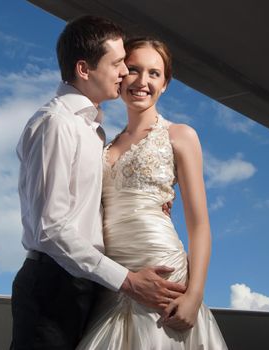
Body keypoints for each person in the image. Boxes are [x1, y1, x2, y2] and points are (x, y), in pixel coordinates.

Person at [11, 17, 187, 350]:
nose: (124, 73)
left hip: (86, 284)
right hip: (54, 285)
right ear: (84, 68)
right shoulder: (58, 124)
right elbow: (50, 229)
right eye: (118, 63)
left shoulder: (94, 131)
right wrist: (129, 282)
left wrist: (149, 203)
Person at [76, 37, 228, 349]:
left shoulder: (180, 136)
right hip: (115, 279)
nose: (142, 81)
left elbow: (199, 225)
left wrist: (195, 295)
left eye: (154, 73)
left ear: (166, 83)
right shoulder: (101, 143)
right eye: (132, 69)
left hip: (162, 271)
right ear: (120, 74)